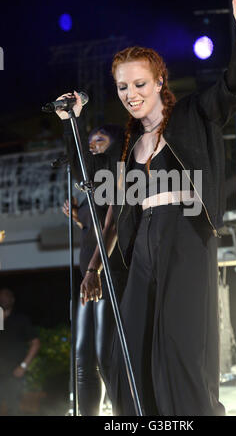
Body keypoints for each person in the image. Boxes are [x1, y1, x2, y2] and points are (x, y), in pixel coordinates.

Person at [57, 0, 236, 416]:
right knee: (126, 353)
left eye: (139, 84)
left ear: (158, 82)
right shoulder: (127, 144)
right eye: (122, 87)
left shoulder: (192, 115)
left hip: (185, 236)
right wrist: (73, 121)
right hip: (144, 244)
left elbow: (234, 86)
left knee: (179, 349)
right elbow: (86, 176)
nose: (131, 94)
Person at [61, 123, 127, 416]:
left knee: (104, 354)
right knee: (81, 356)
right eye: (89, 140)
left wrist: (94, 270)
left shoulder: (120, 174)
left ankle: (124, 416)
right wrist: (78, 218)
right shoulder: (91, 185)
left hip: (105, 273)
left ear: (115, 143)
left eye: (100, 138)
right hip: (89, 274)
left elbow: (111, 227)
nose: (93, 143)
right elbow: (93, 228)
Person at [0, 288, 40, 416]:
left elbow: (35, 343)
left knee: (14, 408)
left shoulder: (21, 319)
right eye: (1, 296)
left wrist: (23, 366)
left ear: (12, 299)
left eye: (6, 296)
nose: (3, 299)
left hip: (14, 373)